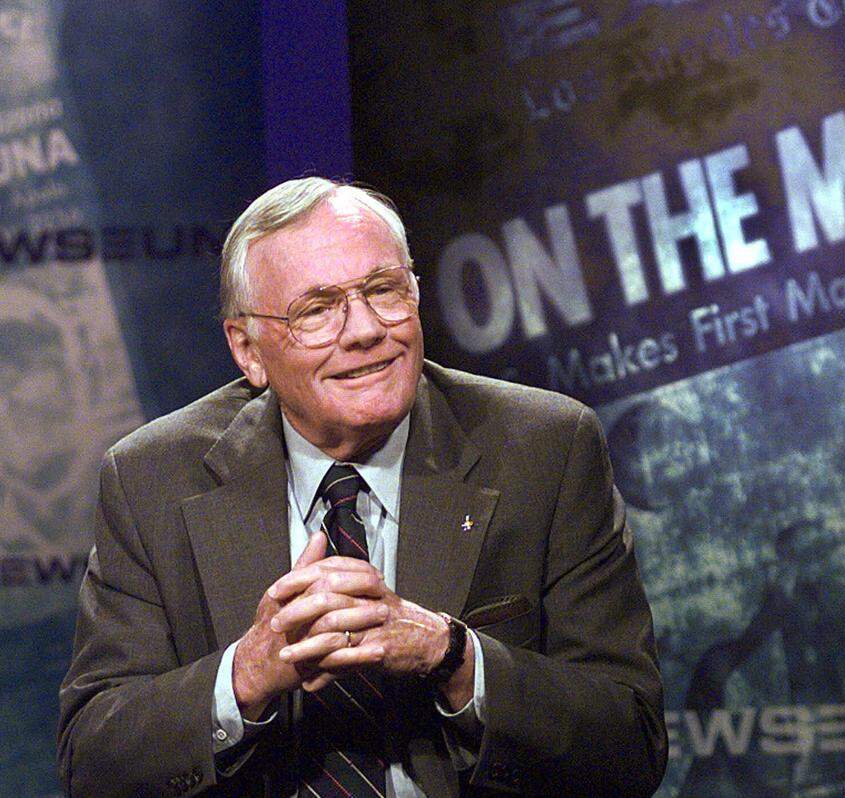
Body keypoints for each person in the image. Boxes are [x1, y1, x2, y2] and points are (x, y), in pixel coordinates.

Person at [58, 178, 667, 797]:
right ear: (248, 349)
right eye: (317, 310)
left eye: (383, 290)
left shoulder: (544, 449)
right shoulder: (150, 479)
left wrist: (454, 657)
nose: (365, 330)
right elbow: (94, 762)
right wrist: (244, 676)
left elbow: (629, 744)